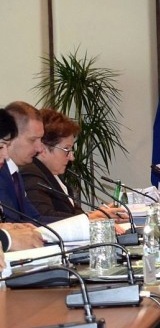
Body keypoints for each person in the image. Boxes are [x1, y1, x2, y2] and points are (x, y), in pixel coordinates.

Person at [21, 109, 123, 223]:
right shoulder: (31, 174)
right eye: (66, 149)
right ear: (43, 149)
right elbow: (43, 217)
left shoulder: (52, 175)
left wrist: (99, 215)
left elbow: (74, 212)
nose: (71, 157)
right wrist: (91, 217)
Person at [0, 107, 44, 252]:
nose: (6, 155)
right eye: (1, 147)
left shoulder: (14, 173)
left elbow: (33, 219)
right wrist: (8, 238)